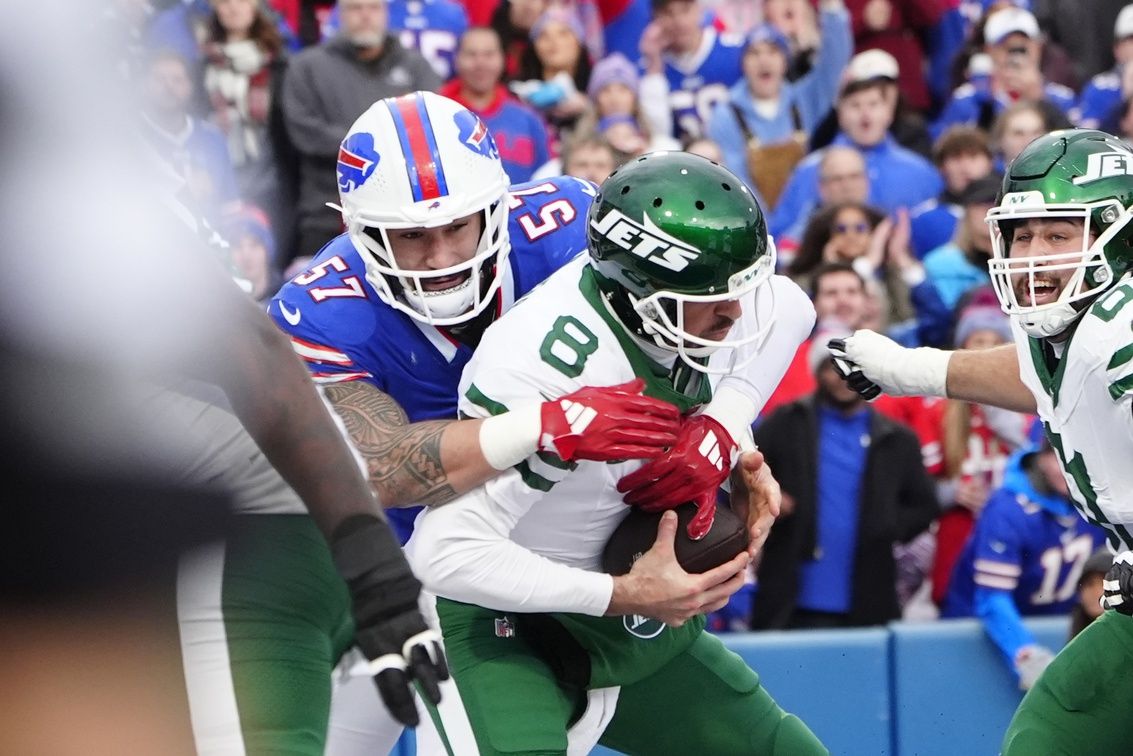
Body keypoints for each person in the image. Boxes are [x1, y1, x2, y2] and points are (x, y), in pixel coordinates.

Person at [270, 92, 782, 752]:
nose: (440, 255)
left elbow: (710, 320)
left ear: (500, 201)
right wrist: (546, 424)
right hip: (399, 574)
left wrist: (728, 434)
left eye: (459, 225)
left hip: (567, 546)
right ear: (360, 231)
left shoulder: (569, 223)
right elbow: (380, 469)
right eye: (412, 235)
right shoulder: (320, 313)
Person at [405, 150, 826, 755]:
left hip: (623, 618)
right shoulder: (546, 374)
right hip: (495, 625)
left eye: (739, 289)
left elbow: (790, 306)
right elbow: (443, 555)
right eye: (710, 299)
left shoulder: (696, 296)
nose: (736, 314)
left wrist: (723, 428)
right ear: (639, 293)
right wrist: (624, 595)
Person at [828, 128, 1133, 754]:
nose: (1033, 252)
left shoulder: (1119, 333)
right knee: (1054, 729)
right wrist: (906, 371)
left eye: (1057, 234)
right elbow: (1036, 371)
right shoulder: (1081, 326)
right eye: (1023, 234)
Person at [751, 321, 939, 629]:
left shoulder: (897, 438)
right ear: (817, 372)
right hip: (789, 596)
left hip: (869, 596)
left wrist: (884, 525)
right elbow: (745, 473)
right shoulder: (785, 423)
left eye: (851, 368)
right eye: (832, 368)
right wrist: (764, 495)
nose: (842, 378)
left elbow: (924, 505)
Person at [941, 436, 1106, 690]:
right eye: (1057, 455)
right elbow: (991, 600)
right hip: (987, 639)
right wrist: (1025, 654)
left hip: (1062, 627)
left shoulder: (1101, 497)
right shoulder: (1008, 509)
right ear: (1041, 456)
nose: (1066, 467)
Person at [280, 0, 440, 259]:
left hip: (404, 217)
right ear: (339, 15)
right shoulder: (306, 67)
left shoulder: (416, 67)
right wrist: (376, 147)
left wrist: (367, 147)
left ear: (386, 13)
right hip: (325, 217)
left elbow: (432, 126)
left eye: (373, 8)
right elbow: (304, 132)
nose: (365, 16)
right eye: (356, 8)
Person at [441, 26, 552, 184]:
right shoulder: (437, 114)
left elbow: (546, 177)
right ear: (456, 59)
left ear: (503, 59)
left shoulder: (528, 119)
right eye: (471, 54)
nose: (480, 63)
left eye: (489, 54)